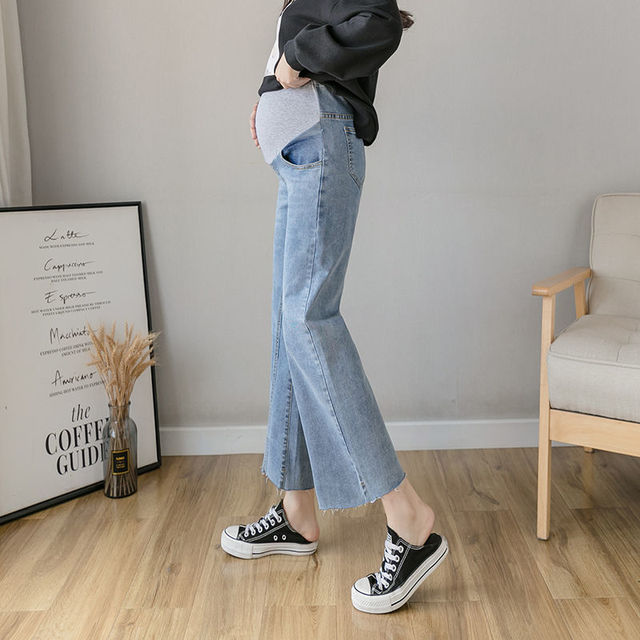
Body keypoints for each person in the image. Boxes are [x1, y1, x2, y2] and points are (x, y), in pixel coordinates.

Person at [221, 0, 448, 614]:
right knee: (289, 328)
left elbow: (377, 22)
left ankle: (409, 518)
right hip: (302, 150)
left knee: (307, 322)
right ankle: (297, 512)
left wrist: (292, 63)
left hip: (320, 145)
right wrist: (269, 87)